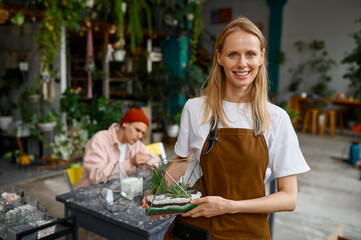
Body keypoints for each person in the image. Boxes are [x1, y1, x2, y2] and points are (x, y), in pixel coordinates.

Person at [148, 17, 310, 239]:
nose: (242, 63)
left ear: (261, 57)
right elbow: (182, 161)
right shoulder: (195, 108)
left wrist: (228, 206)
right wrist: (158, 194)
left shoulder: (277, 118)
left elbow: (289, 198)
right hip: (197, 227)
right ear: (219, 57)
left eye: (250, 54)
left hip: (248, 231)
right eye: (233, 54)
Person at [78, 108, 161, 188]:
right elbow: (96, 176)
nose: (140, 136)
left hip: (119, 192)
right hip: (92, 193)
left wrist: (151, 164)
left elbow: (155, 158)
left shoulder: (135, 144)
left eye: (143, 133)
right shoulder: (100, 140)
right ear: (125, 124)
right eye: (137, 130)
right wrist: (130, 163)